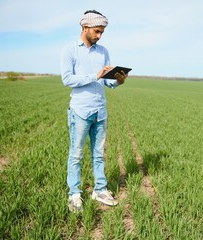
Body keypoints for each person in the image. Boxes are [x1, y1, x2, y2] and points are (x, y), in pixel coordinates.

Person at [60, 10, 127, 212]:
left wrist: (118, 81)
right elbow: (67, 79)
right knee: (76, 154)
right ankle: (74, 194)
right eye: (97, 31)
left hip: (100, 111)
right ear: (85, 27)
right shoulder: (70, 50)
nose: (99, 36)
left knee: (99, 154)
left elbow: (106, 80)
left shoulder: (103, 51)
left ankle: (100, 190)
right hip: (80, 110)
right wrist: (94, 75)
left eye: (102, 32)